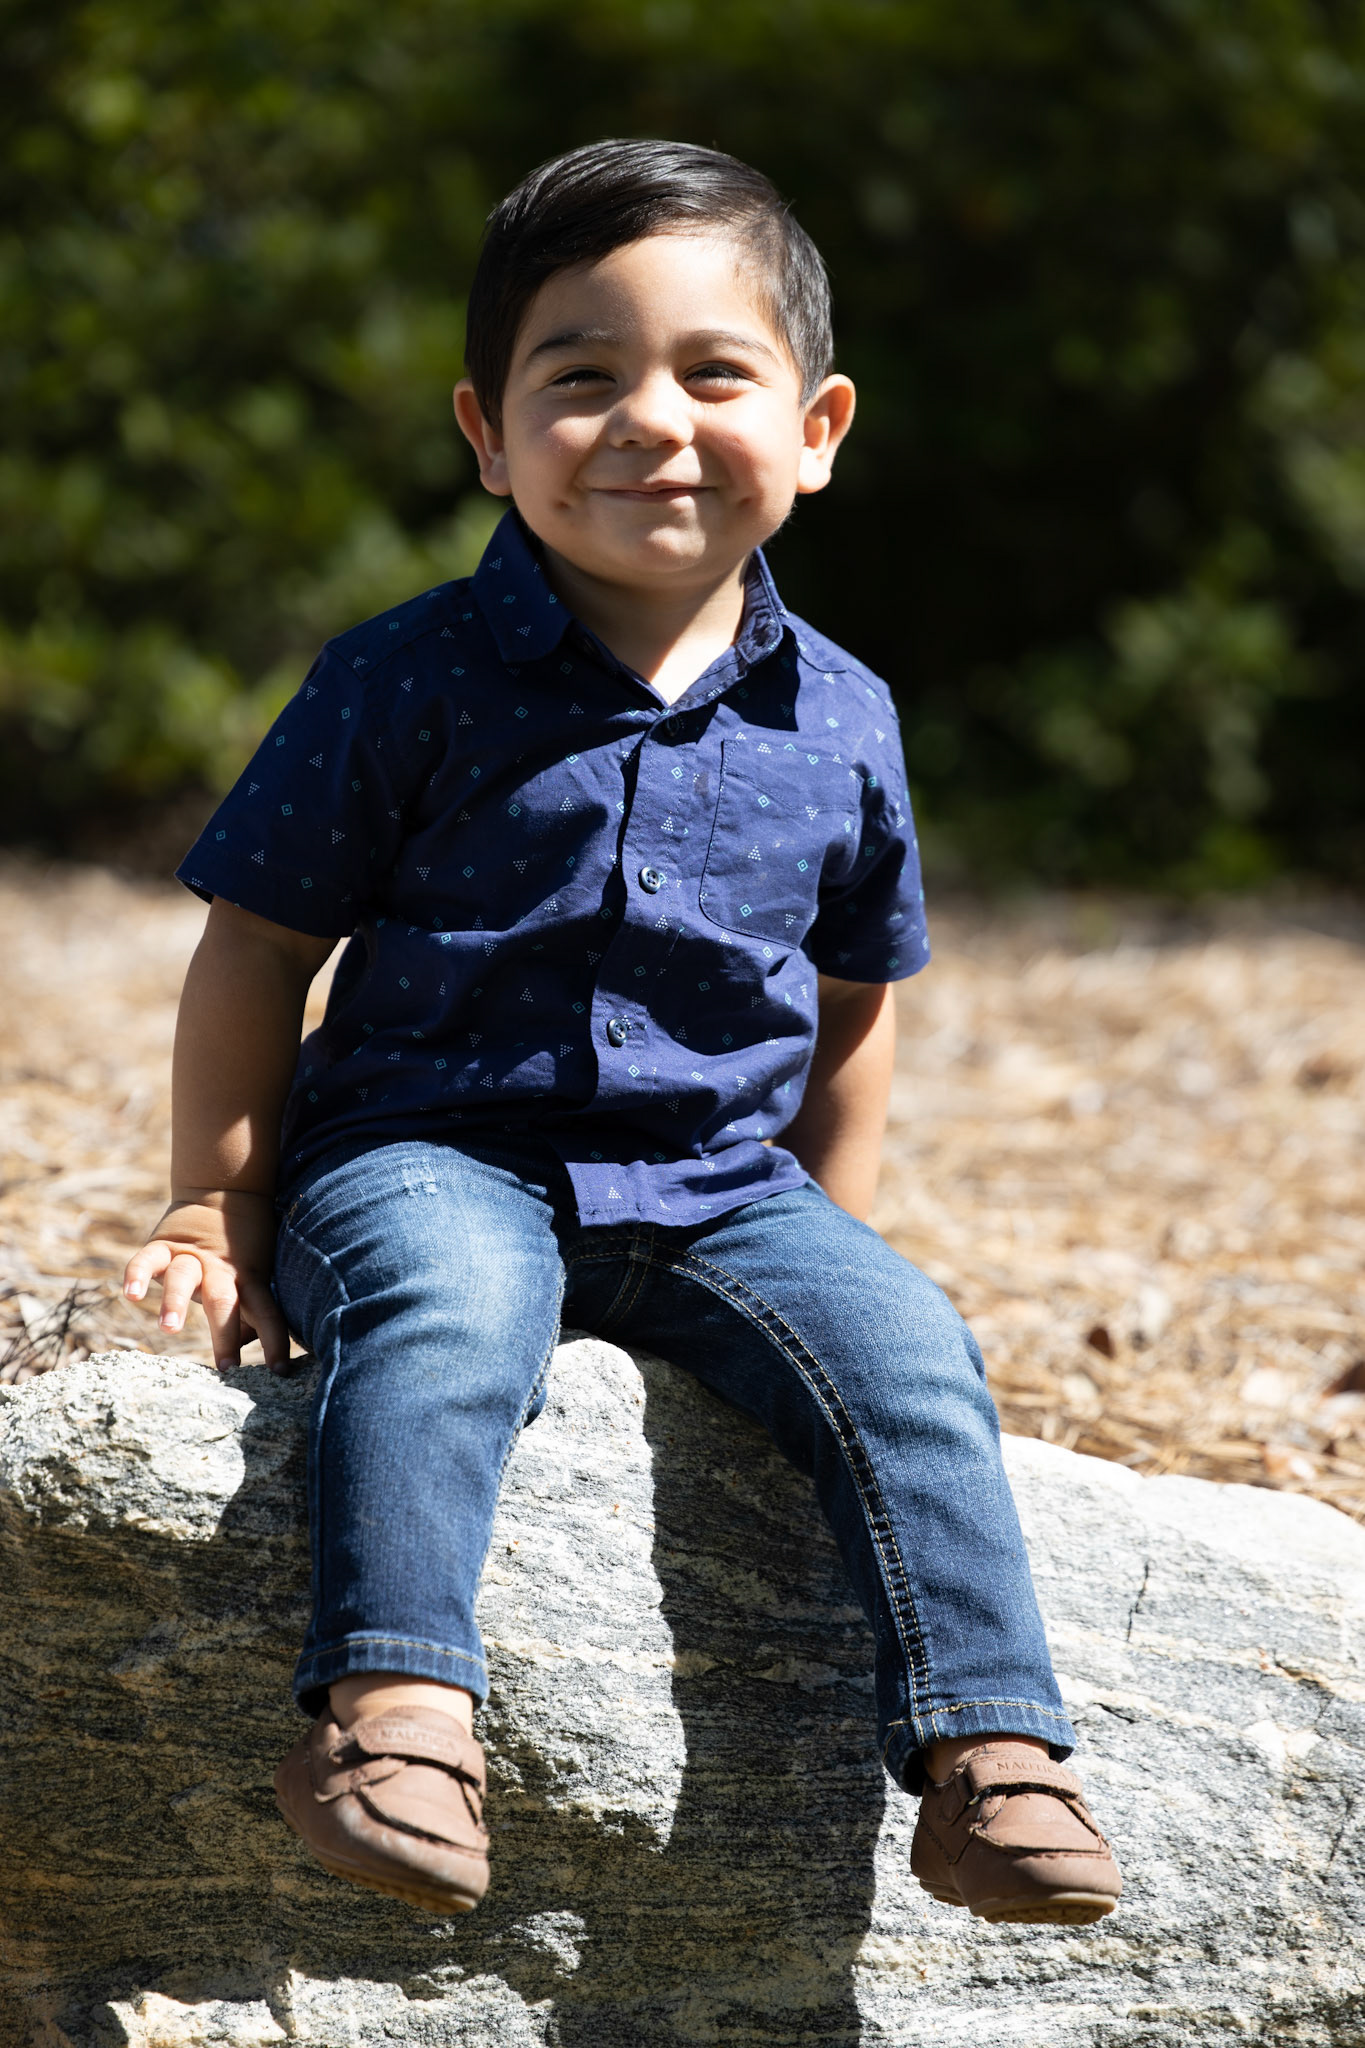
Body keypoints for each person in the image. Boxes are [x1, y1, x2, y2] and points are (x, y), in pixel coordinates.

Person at [123, 139, 1121, 1927]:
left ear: (816, 430)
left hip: (720, 1188)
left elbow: (853, 995)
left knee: (908, 1352)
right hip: (432, 1151)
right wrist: (220, 1202)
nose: (650, 420)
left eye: (713, 374)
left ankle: (991, 1752)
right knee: (445, 1319)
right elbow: (259, 945)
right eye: (580, 377)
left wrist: (834, 1241)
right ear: (486, 434)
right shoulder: (404, 676)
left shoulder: (842, 716)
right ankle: (392, 1713)